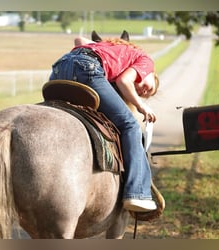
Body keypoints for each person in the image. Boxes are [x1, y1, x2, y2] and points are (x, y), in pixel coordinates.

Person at [49, 33, 159, 212]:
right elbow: (124, 81)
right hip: (88, 68)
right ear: (151, 74)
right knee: (130, 124)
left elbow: (79, 40)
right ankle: (137, 193)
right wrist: (141, 106)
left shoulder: (108, 48)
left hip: (59, 69)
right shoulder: (145, 60)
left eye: (143, 95)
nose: (142, 90)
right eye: (149, 87)